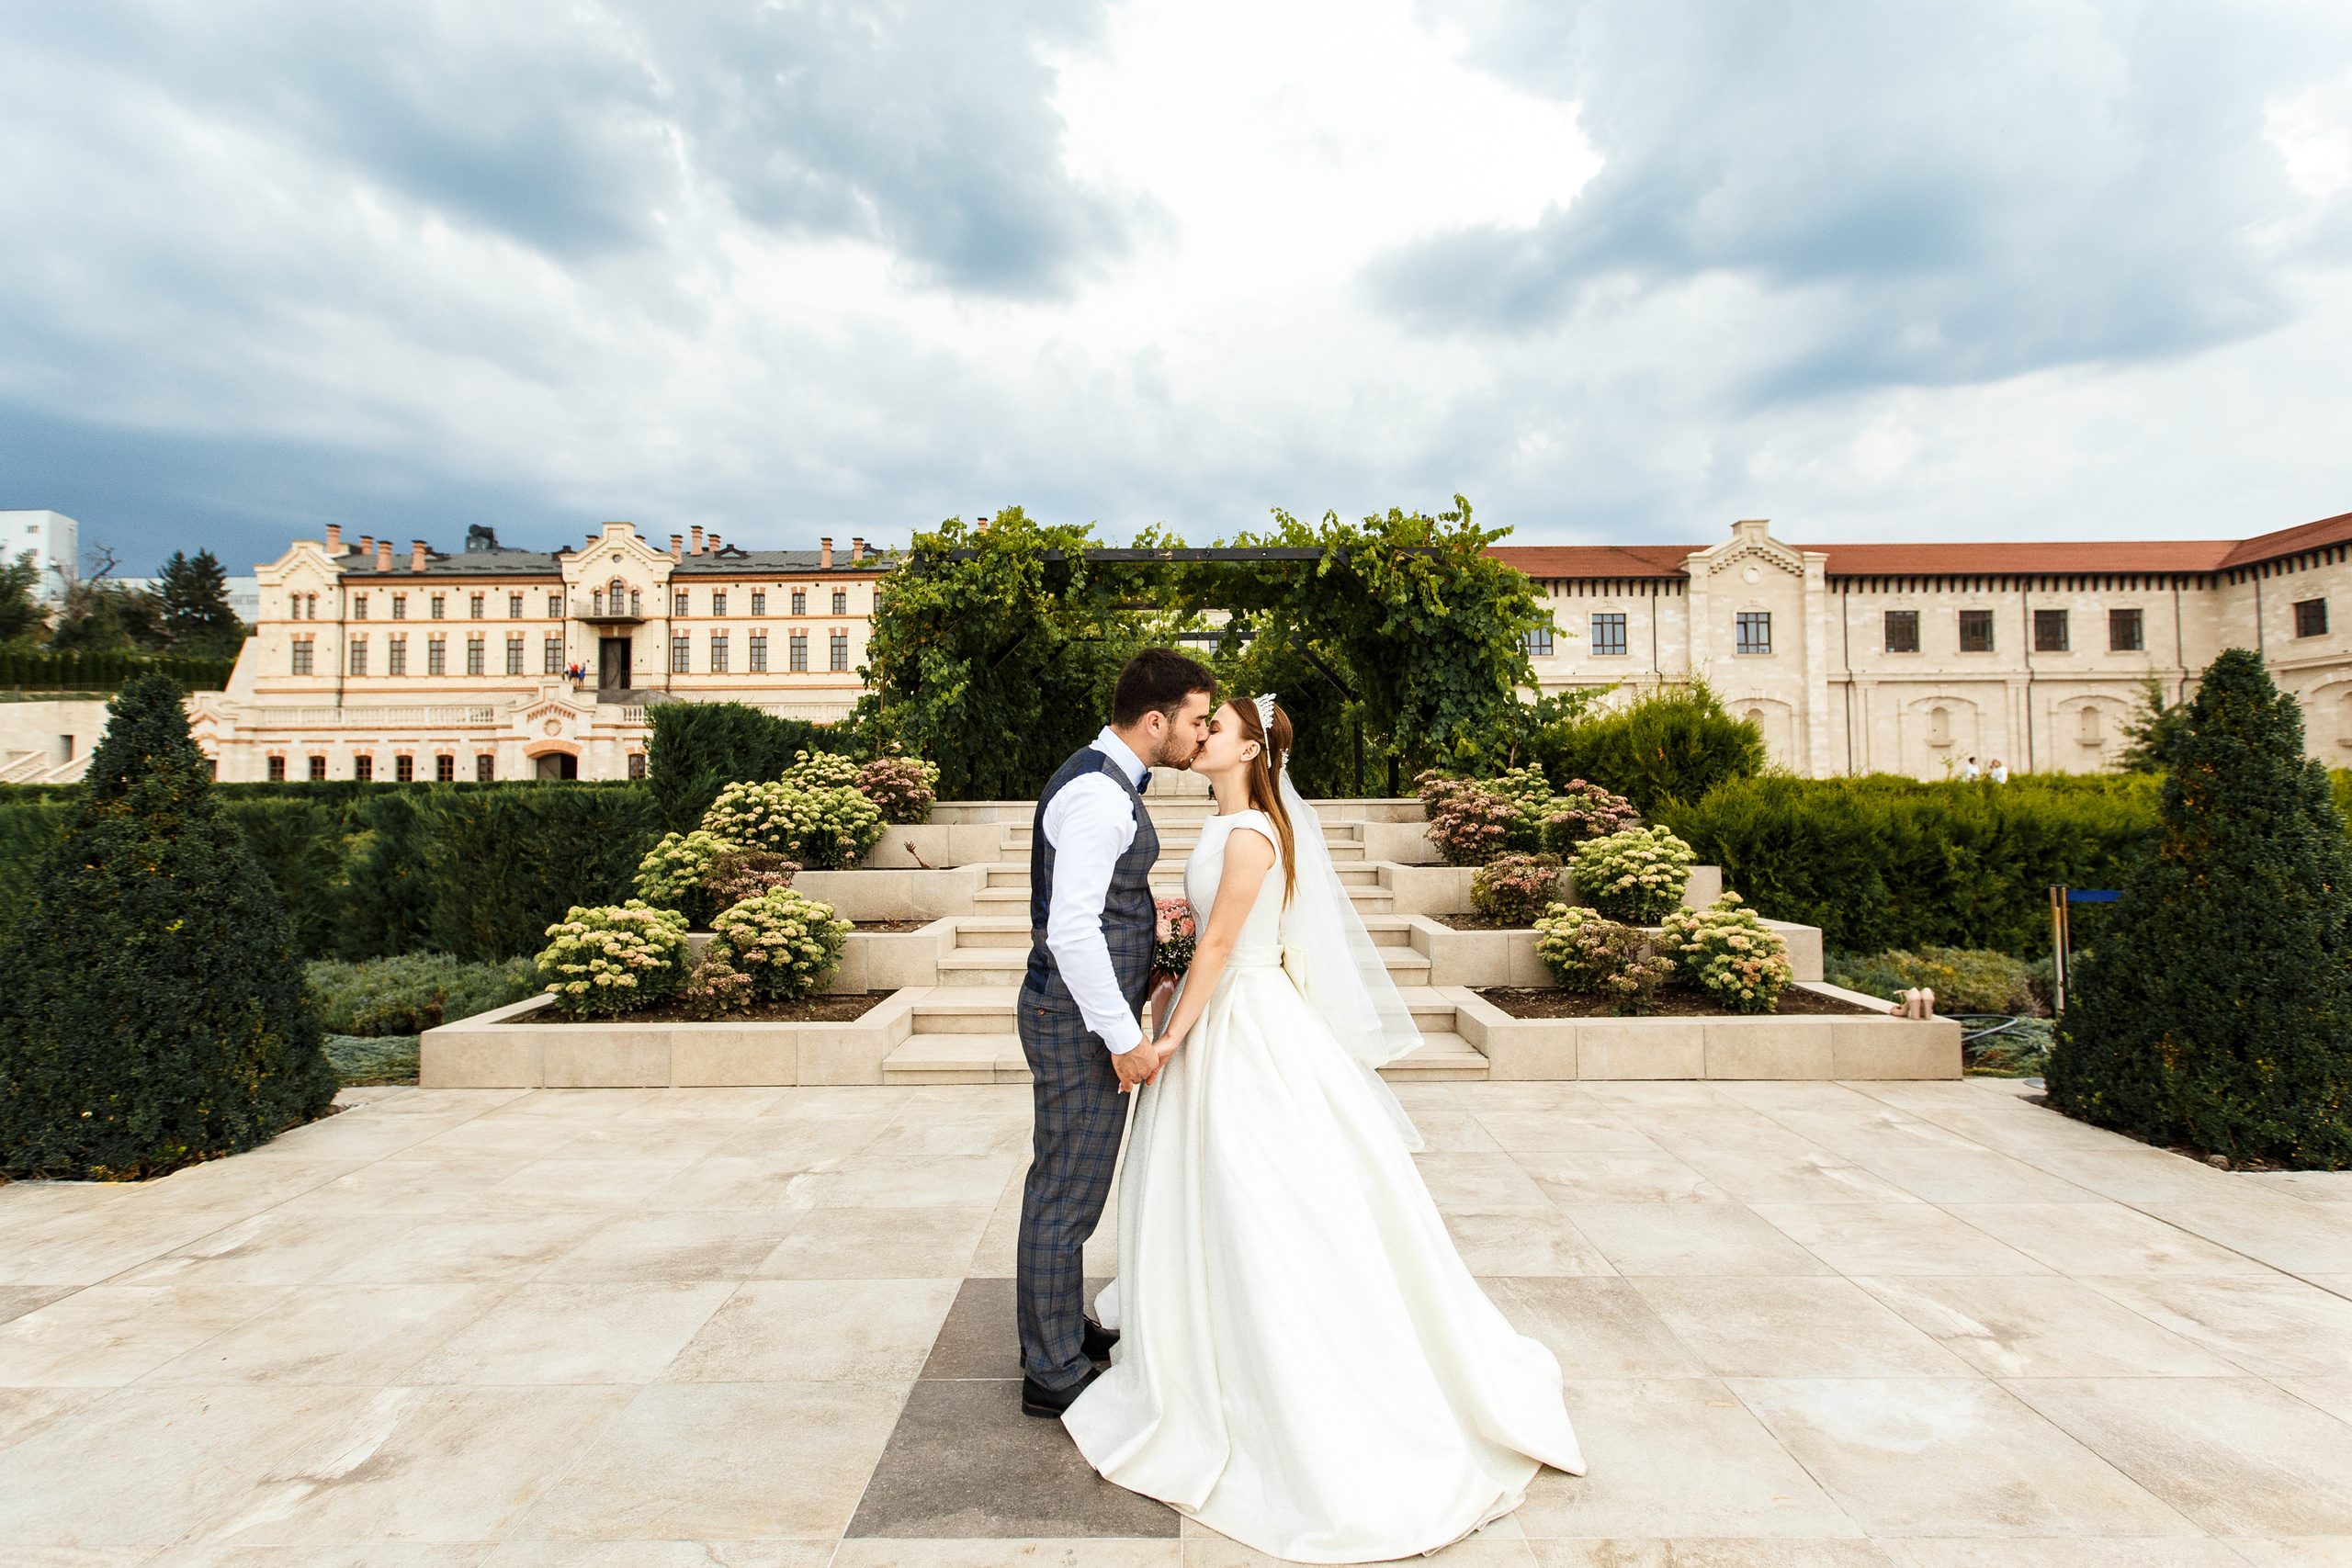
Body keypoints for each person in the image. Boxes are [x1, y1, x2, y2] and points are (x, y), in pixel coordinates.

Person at [1064, 694, 1585, 1562]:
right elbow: (1201, 938)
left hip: (1243, 1018)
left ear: (1250, 751)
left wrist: (1168, 1038)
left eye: (1217, 728)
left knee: (1261, 1187)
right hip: (1222, 1008)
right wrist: (1169, 969)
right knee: (1220, 1186)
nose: (1202, 734)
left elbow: (1221, 949)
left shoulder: (1252, 835)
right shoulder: (1224, 826)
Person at [1015, 648, 1216, 1421]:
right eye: (1196, 720)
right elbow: (1072, 929)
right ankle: (1052, 1370)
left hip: (1073, 1015)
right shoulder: (1101, 796)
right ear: (1156, 720)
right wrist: (1122, 1037)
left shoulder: (1103, 780)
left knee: (1068, 1187)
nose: (1200, 735)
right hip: (1074, 1021)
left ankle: (1059, 1330)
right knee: (1066, 1195)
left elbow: (1095, 904)